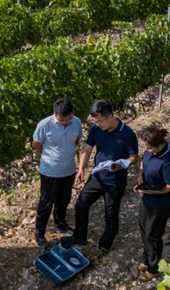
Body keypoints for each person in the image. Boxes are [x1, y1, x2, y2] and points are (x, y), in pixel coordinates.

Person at [61, 99, 138, 254]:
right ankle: (80, 236)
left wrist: (121, 165)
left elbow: (134, 157)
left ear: (110, 117)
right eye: (95, 122)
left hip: (115, 182)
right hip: (97, 178)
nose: (97, 124)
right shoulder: (96, 130)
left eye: (100, 121)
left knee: (110, 215)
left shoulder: (127, 133)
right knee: (81, 205)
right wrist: (81, 168)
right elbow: (88, 149)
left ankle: (105, 245)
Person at [32, 99, 83, 247]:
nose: (66, 122)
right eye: (62, 120)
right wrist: (44, 157)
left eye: (68, 119)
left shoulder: (77, 122)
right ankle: (39, 233)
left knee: (63, 199)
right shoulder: (45, 124)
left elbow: (76, 140)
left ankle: (60, 223)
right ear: (55, 114)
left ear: (72, 113)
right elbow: (36, 144)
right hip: (50, 171)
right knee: (46, 202)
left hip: (68, 169)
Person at [134, 126, 170, 281]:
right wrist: (140, 175)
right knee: (143, 229)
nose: (148, 151)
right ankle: (147, 260)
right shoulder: (150, 151)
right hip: (148, 198)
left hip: (161, 204)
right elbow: (143, 162)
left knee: (153, 235)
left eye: (150, 148)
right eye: (146, 148)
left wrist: (151, 192)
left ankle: (154, 268)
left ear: (160, 145)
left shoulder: (168, 161)